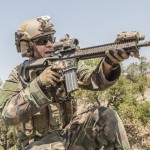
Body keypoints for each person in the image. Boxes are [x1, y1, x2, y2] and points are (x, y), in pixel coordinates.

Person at [0, 15, 138, 150]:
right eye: (42, 40)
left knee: (105, 116)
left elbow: (96, 81)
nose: (49, 44)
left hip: (67, 136)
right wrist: (39, 85)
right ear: (28, 47)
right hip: (37, 144)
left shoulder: (64, 63)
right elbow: (7, 116)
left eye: (51, 38)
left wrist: (109, 63)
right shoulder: (18, 74)